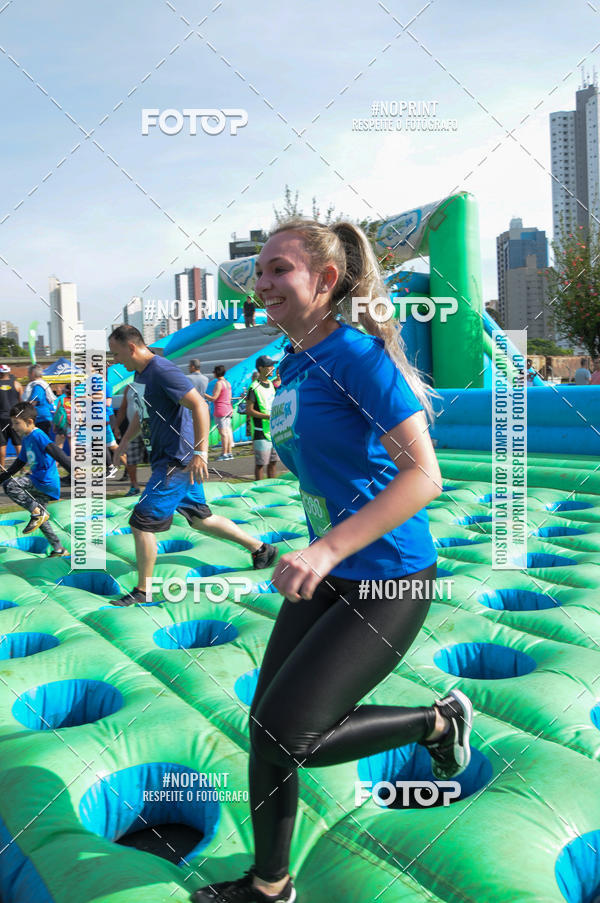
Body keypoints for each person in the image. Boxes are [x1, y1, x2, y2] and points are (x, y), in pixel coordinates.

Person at [190, 218, 473, 903]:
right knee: (266, 731)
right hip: (330, 573)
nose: (262, 284)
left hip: (390, 578)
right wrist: (319, 547)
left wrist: (325, 546)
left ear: (324, 280)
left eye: (279, 270)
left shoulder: (358, 358)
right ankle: (270, 884)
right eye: (259, 272)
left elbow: (424, 475)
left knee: (293, 732)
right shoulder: (291, 361)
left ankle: (437, 721)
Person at [108, 325, 277, 606]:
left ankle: (143, 590)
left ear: (131, 348)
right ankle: (261, 549)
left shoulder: (161, 370)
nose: (115, 360)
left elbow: (199, 405)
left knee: (141, 522)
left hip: (179, 460)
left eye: (116, 354)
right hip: (169, 458)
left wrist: (201, 453)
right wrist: (123, 443)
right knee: (201, 518)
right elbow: (143, 414)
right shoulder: (140, 374)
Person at [0, 402, 70, 557]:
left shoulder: (38, 435)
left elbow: (54, 451)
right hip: (41, 483)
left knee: (10, 486)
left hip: (45, 481)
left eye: (16, 423)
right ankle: (59, 549)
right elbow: (19, 463)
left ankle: (37, 512)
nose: (13, 427)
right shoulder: (26, 438)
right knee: (41, 521)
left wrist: (71, 468)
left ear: (29, 422)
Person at [247, 355, 279, 480]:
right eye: (269, 366)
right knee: (261, 464)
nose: (272, 368)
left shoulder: (271, 385)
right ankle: (258, 487)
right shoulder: (254, 387)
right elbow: (249, 410)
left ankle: (272, 487)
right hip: (260, 432)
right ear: (261, 368)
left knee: (273, 463)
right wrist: (267, 416)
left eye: (273, 365)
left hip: (274, 431)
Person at [112, 383, 144, 496]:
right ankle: (134, 486)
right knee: (131, 458)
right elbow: (123, 408)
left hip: (149, 428)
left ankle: (158, 486)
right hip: (133, 429)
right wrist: (116, 426)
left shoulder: (151, 382)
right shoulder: (129, 387)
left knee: (156, 459)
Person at [205, 365, 234, 461]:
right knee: (228, 431)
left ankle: (224, 453)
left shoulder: (219, 383)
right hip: (228, 408)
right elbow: (229, 397)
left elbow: (214, 398)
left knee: (223, 433)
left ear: (216, 373)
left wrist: (203, 394)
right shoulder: (227, 383)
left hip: (220, 409)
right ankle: (229, 452)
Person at [0, 363, 23, 469]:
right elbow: (22, 402)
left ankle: (2, 468)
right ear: (9, 372)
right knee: (18, 443)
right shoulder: (17, 384)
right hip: (14, 418)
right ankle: (22, 468)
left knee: (2, 445)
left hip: (1, 418)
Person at [22, 364, 56, 435]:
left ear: (33, 374)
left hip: (41, 418)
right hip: (43, 417)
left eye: (28, 373)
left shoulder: (38, 386)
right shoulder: (42, 384)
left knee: (41, 441)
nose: (28, 375)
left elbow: (34, 401)